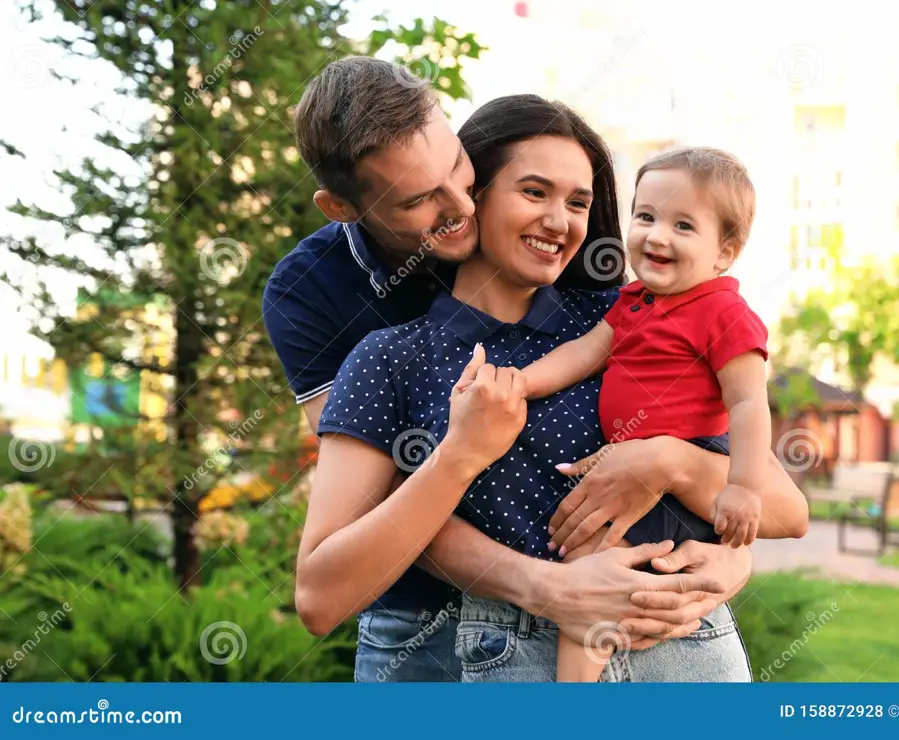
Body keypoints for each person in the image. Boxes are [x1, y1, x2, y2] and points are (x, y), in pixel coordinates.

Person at [302, 91, 809, 681]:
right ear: (474, 195)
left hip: (684, 650)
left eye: (579, 201)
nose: (560, 221)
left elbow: (783, 510)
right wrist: (463, 456)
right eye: (534, 191)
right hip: (513, 656)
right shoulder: (392, 358)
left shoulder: (630, 318)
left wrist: (675, 476)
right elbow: (320, 597)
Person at [520, 147, 771, 682]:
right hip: (631, 468)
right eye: (646, 216)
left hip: (687, 468)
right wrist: (521, 381)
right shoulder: (633, 300)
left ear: (725, 252)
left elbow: (749, 403)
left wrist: (745, 488)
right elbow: (586, 353)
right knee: (588, 567)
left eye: (683, 225)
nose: (656, 236)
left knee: (589, 563)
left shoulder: (724, 312)